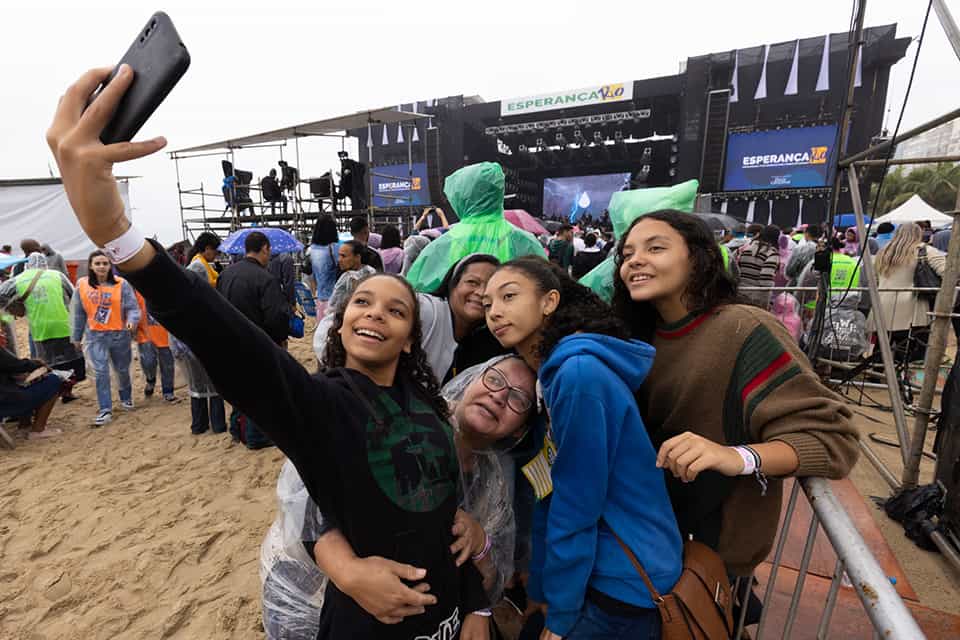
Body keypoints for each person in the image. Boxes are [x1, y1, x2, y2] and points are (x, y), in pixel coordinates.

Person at [49, 64, 494, 636]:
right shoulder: (321, 404)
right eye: (362, 303)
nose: (375, 312)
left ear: (412, 334)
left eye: (395, 309)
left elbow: (442, 513)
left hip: (453, 619)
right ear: (339, 322)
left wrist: (478, 604)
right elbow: (231, 343)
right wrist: (126, 242)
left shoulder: (427, 403)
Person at [611, 210, 858, 621]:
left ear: (700, 257)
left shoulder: (744, 329)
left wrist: (736, 456)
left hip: (705, 558)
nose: (634, 260)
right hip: (639, 546)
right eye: (627, 253)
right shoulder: (633, 337)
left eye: (655, 248)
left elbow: (832, 439)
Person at [263, 355, 536, 640]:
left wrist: (480, 550)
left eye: (518, 399)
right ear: (471, 380)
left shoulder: (492, 480)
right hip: (310, 591)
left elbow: (492, 575)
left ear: (520, 429)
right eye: (494, 379)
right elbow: (305, 502)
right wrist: (350, 573)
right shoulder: (401, 418)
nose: (499, 396)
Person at [481, 256, 682, 640]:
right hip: (597, 569)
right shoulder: (552, 376)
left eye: (509, 296)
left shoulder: (578, 376)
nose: (495, 312)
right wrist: (542, 586)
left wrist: (562, 613)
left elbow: (577, 502)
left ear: (549, 301)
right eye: (488, 304)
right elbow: (549, 484)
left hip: (622, 578)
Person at [315, 254, 508, 384]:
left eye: (490, 286)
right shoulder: (425, 309)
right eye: (472, 282)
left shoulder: (477, 340)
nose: (481, 292)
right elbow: (329, 327)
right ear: (452, 285)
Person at [217, 231, 291, 449]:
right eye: (269, 251)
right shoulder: (265, 278)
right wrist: (280, 339)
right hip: (259, 341)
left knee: (240, 387)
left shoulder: (227, 274)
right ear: (265, 248)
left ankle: (236, 429)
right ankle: (255, 436)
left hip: (231, 339)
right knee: (261, 389)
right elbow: (274, 316)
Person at [0, 253, 84, 402]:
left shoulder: (17, 280)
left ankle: (53, 393)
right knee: (71, 361)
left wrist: (7, 312)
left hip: (40, 328)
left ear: (28, 265)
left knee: (47, 363)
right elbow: (75, 296)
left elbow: (2, 296)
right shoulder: (57, 275)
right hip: (64, 325)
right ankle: (67, 392)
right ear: (45, 263)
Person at [71, 250, 140, 426]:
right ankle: (105, 409)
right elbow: (78, 313)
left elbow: (133, 307)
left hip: (119, 334)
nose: (101, 267)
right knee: (101, 373)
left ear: (110, 266)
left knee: (122, 369)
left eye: (105, 263)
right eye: (98, 263)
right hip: (95, 336)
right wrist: (76, 337)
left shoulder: (121, 284)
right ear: (91, 266)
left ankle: (126, 398)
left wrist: (131, 322)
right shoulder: (82, 284)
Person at [868, 222, 945, 356]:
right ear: (918, 234)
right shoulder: (924, 250)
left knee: (880, 352)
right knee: (912, 353)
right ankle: (901, 377)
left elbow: (875, 279)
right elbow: (946, 271)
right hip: (912, 308)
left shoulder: (882, 252)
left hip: (882, 306)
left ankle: (875, 376)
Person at [180, 232, 227, 435]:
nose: (215, 255)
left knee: (199, 382)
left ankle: (200, 425)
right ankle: (215, 424)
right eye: (214, 251)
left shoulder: (201, 264)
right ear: (206, 248)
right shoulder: (198, 266)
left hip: (199, 327)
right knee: (211, 379)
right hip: (202, 327)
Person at [0, 348, 63, 440]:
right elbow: (18, 365)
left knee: (19, 386)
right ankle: (38, 429)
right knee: (53, 380)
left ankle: (24, 426)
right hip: (5, 405)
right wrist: (38, 363)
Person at [133, 290, 177, 402]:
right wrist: (131, 326)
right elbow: (130, 308)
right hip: (145, 333)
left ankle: (168, 391)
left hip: (165, 334)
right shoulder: (136, 287)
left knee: (167, 364)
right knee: (148, 361)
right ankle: (150, 379)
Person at [325, 241, 377, 316]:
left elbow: (333, 307)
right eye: (339, 255)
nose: (339, 259)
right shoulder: (372, 272)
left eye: (343, 256)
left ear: (357, 257)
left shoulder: (349, 277)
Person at [735, 224, 781, 308]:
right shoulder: (771, 253)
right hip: (756, 298)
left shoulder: (744, 248)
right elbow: (765, 280)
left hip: (738, 292)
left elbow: (734, 267)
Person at [308, 215, 340, 320]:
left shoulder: (311, 250)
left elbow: (311, 275)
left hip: (320, 299)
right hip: (334, 299)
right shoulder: (334, 248)